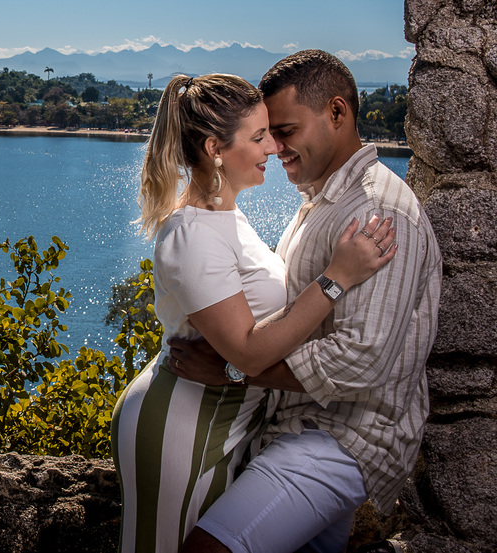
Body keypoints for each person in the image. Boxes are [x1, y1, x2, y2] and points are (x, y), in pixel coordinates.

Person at [110, 72, 396, 553]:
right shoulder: (192, 235)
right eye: (259, 136)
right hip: (186, 421)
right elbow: (245, 351)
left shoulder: (228, 215)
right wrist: (337, 278)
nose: (273, 149)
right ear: (214, 148)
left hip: (222, 418)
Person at [171, 50, 442, 553]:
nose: (274, 147)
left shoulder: (378, 213)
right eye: (268, 133)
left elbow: (362, 359)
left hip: (342, 438)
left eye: (286, 130)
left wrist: (234, 369)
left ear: (337, 114)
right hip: (301, 428)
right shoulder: (323, 202)